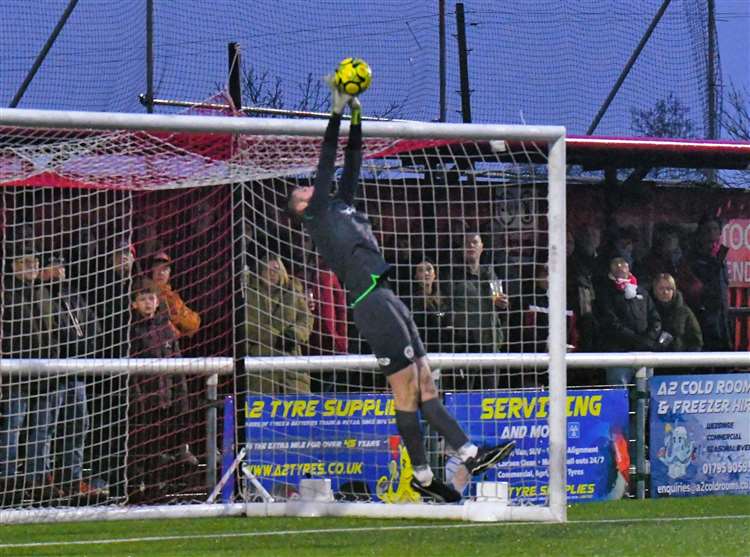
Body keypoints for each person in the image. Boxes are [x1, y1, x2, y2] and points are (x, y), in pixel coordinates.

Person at [287, 82, 514, 503]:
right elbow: (326, 160)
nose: (308, 187)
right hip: (370, 301)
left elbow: (350, 162)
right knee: (410, 388)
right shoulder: (317, 214)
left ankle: (426, 478)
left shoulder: (341, 204)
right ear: (301, 208)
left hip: (387, 295)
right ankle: (467, 453)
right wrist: (335, 112)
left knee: (423, 386)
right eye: (301, 192)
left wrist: (357, 117)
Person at [38, 254, 104, 498]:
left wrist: (84, 348)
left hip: (75, 371)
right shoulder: (41, 295)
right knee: (46, 427)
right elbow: (52, 333)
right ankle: (38, 480)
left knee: (78, 425)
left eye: (62, 266)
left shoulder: (73, 295)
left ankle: (72, 479)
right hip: (51, 372)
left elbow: (94, 326)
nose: (59, 271)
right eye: (53, 266)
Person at [0, 240, 60, 501]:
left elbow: (53, 332)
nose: (31, 267)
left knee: (43, 430)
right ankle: (8, 481)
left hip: (45, 374)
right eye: (25, 262)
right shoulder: (6, 294)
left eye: (35, 263)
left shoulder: (44, 293)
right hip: (15, 374)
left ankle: (37, 482)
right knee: (13, 427)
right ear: (12, 266)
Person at [128, 285, 196, 497]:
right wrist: (136, 397)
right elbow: (130, 370)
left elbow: (177, 366)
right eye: (143, 299)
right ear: (134, 303)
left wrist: (180, 397)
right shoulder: (131, 330)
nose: (148, 303)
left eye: (151, 298)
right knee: (138, 450)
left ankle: (154, 489)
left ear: (157, 302)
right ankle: (132, 490)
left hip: (164, 401)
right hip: (142, 403)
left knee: (157, 449)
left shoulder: (166, 328)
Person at [445, 232, 509, 390]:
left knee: (490, 394)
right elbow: (445, 305)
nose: (470, 246)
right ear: (461, 248)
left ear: (482, 247)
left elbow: (499, 298)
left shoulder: (490, 272)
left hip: (490, 342)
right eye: (467, 243)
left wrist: (503, 303)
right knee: (464, 394)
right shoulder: (452, 275)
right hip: (464, 344)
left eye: (474, 242)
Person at [245, 256, 314, 394]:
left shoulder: (293, 292)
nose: (272, 274)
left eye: (276, 269)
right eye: (267, 269)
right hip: (259, 365)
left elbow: (306, 319)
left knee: (296, 410)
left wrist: (294, 335)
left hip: (291, 363)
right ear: (260, 270)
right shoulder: (248, 292)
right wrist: (275, 338)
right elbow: (247, 325)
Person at [594, 257, 664, 385]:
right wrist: (637, 340)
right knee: (619, 394)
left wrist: (649, 339)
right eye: (616, 263)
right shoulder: (606, 292)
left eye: (623, 263)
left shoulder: (642, 291)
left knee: (644, 396)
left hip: (644, 353)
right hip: (619, 354)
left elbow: (655, 318)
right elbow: (610, 322)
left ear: (629, 267)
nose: (620, 266)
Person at [688, 217, 732, 351]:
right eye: (708, 230)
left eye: (715, 229)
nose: (712, 234)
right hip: (704, 314)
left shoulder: (721, 255)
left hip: (723, 314)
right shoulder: (694, 257)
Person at [144, 251, 201, 340]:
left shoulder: (173, 296)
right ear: (151, 270)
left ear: (170, 273)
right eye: (157, 268)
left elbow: (194, 324)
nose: (161, 273)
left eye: (165, 269)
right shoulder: (145, 292)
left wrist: (177, 318)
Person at [651, 273, 703, 353]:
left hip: (680, 360)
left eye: (669, 288)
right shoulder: (648, 310)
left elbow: (696, 340)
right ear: (655, 290)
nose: (665, 292)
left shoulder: (684, 312)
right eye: (661, 288)